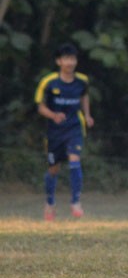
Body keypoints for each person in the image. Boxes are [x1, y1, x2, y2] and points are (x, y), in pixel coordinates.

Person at [34, 42, 94, 220]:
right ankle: (50, 203)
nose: (70, 62)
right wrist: (53, 115)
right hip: (55, 132)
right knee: (54, 169)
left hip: (74, 127)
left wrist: (88, 115)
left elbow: (84, 96)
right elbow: (40, 107)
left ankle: (75, 202)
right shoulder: (49, 82)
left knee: (75, 160)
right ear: (59, 61)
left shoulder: (82, 81)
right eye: (66, 59)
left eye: (73, 59)